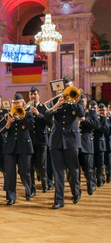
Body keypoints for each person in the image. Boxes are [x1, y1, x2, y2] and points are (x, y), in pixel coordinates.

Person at [45, 76, 85, 209]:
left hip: (71, 140)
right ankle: (58, 200)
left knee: (73, 170)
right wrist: (57, 105)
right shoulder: (55, 100)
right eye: (65, 86)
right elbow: (46, 117)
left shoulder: (77, 99)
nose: (68, 88)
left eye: (70, 86)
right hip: (56, 140)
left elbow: (81, 113)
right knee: (58, 171)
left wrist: (71, 101)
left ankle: (76, 192)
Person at [4, 93, 34, 205]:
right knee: (10, 172)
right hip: (10, 147)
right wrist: (8, 123)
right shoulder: (9, 114)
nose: (16, 104)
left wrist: (23, 116)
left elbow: (30, 126)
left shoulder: (29, 114)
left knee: (24, 171)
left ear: (23, 103)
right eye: (14, 103)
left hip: (24, 146)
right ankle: (11, 196)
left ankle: (28, 191)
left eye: (18, 102)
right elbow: (3, 131)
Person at [28, 86, 52, 196]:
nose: (33, 96)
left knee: (41, 165)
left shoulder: (44, 107)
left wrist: (38, 114)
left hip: (42, 140)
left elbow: (50, 123)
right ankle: (32, 189)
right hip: (30, 141)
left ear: (39, 95)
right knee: (30, 165)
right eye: (31, 94)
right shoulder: (26, 108)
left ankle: (44, 184)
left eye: (35, 94)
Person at [78, 96, 101, 195]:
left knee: (88, 168)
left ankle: (90, 183)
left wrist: (84, 119)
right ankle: (76, 190)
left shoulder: (91, 112)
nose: (80, 103)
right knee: (75, 170)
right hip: (75, 143)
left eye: (82, 101)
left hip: (86, 144)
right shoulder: (73, 112)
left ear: (86, 102)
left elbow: (97, 125)